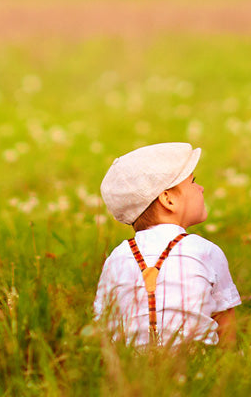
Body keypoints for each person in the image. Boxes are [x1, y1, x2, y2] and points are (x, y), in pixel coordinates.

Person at [94, 141, 241, 347]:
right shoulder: (205, 251)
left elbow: (106, 323)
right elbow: (225, 323)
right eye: (193, 182)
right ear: (168, 199)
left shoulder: (116, 257)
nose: (201, 188)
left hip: (132, 367)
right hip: (197, 363)